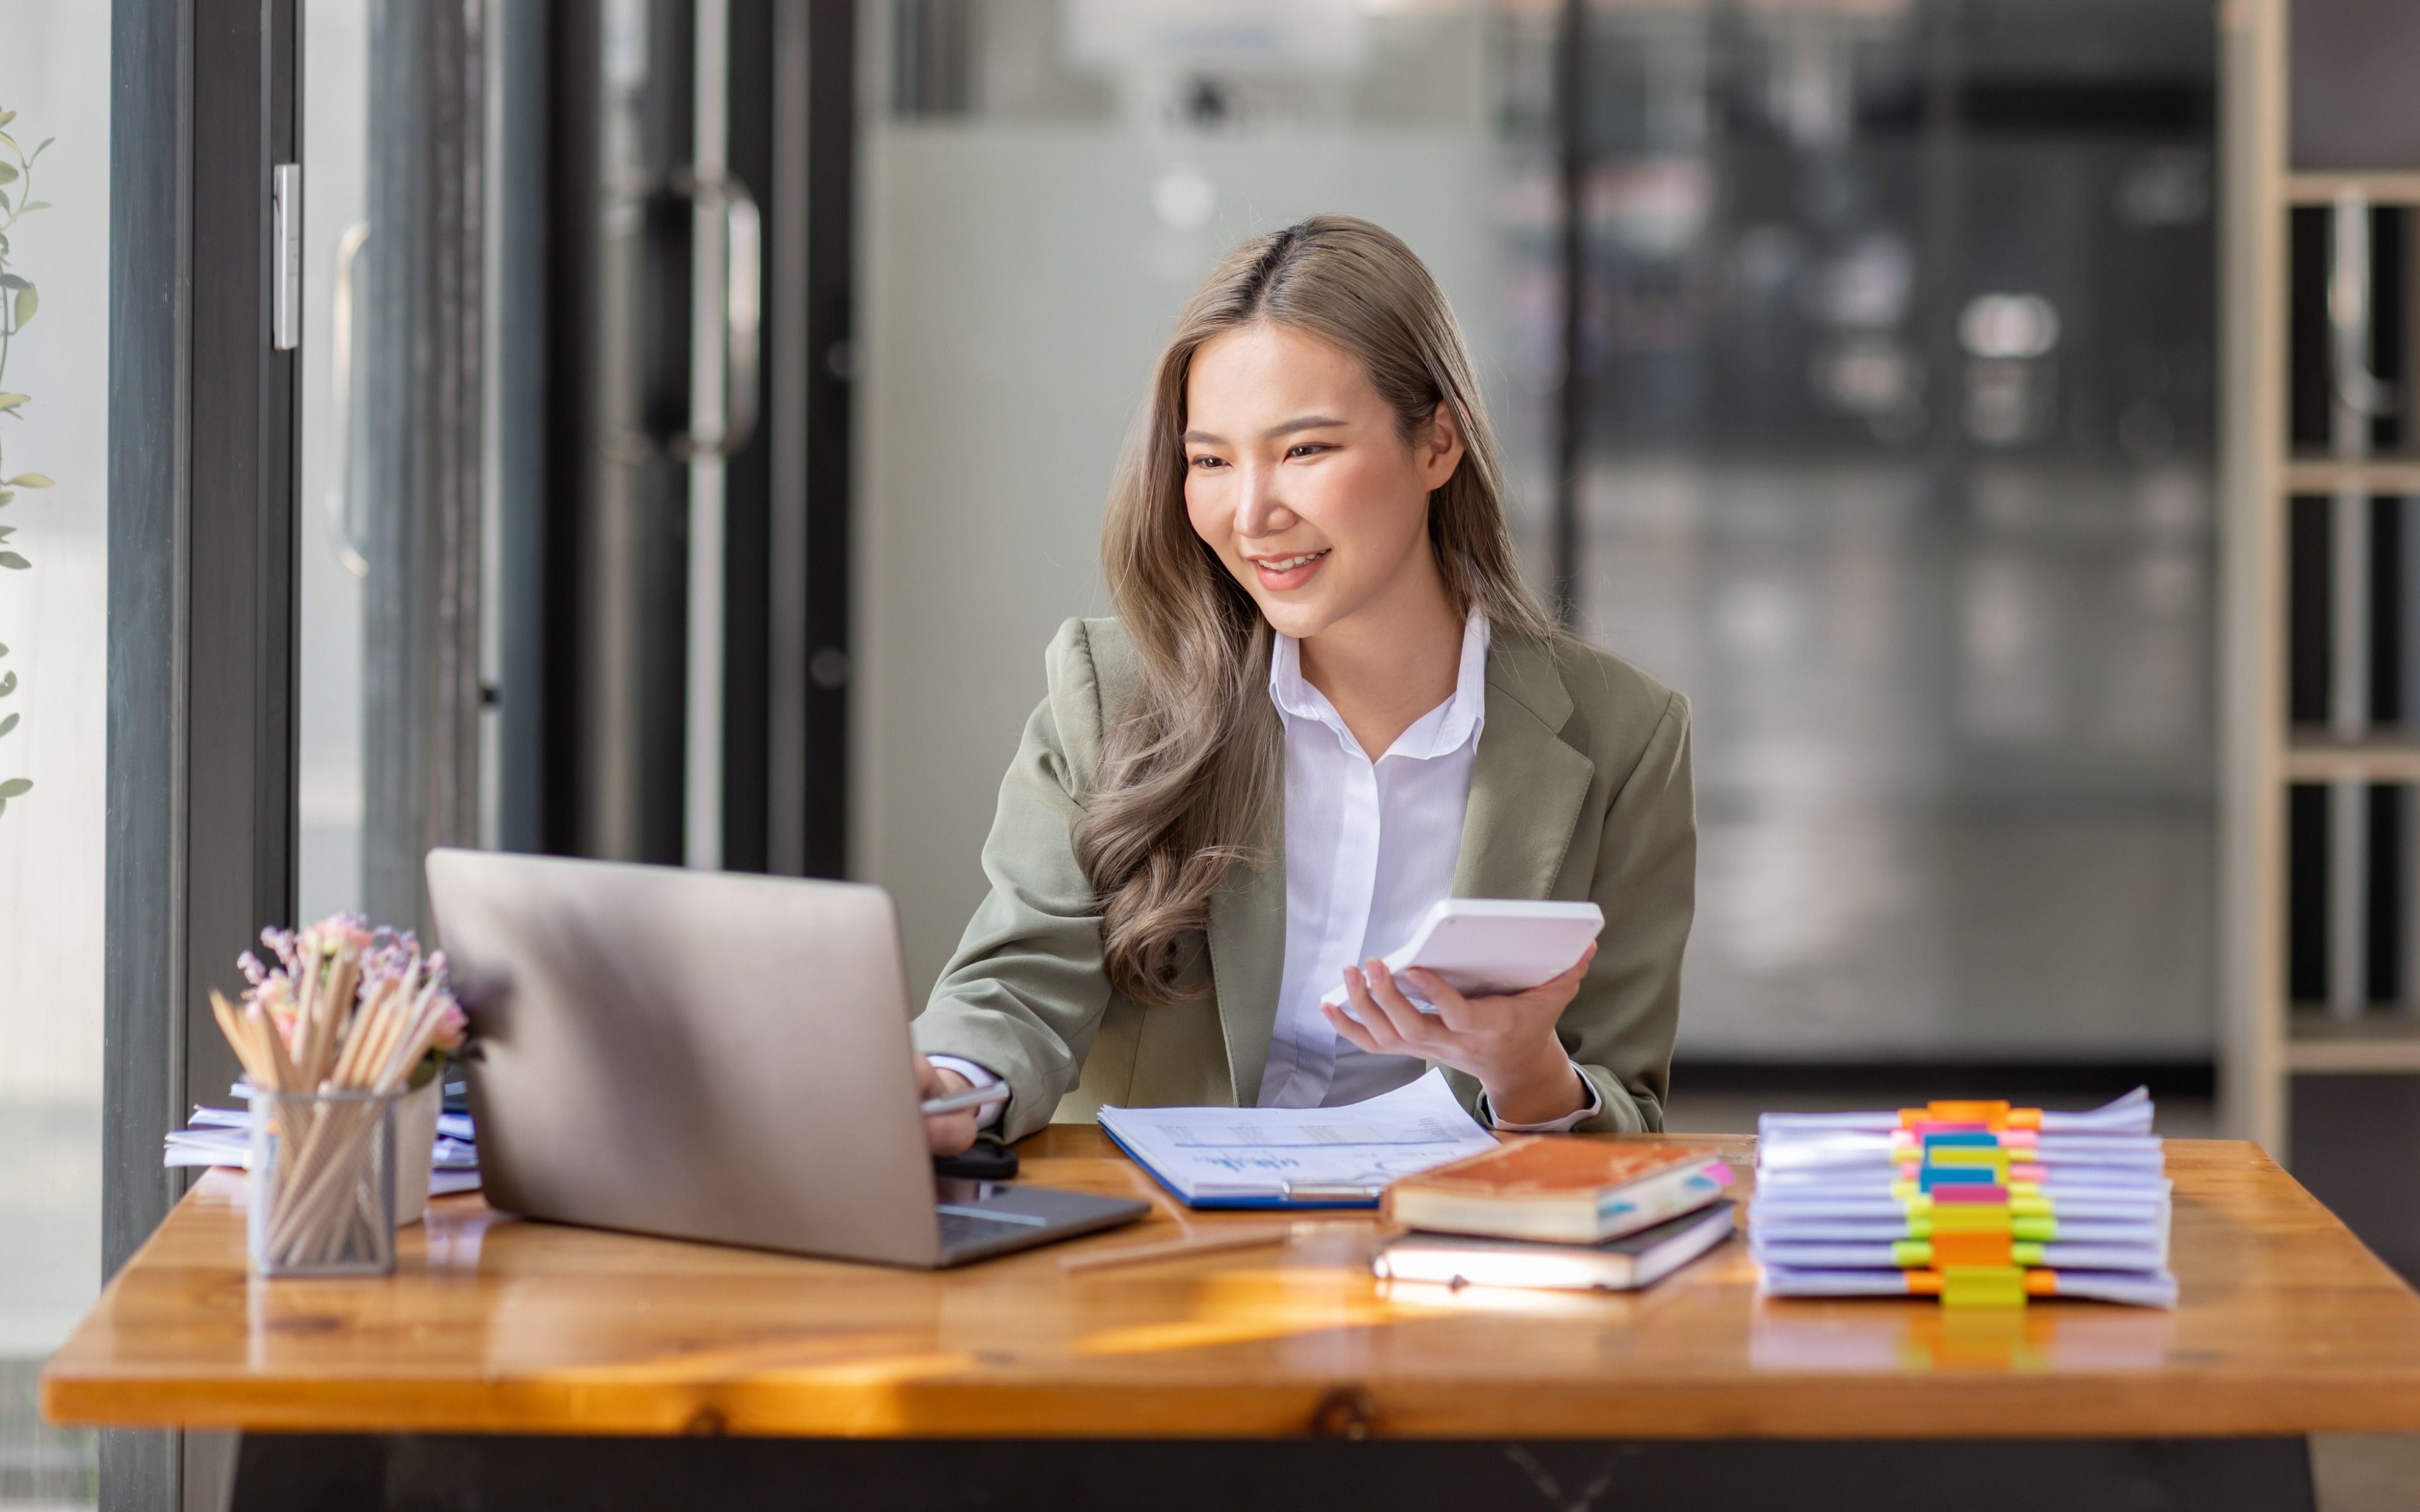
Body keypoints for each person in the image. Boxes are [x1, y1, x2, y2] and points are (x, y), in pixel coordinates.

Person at [913, 215, 1694, 1157]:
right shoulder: (1114, 691)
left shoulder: (1625, 737)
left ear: (1438, 443)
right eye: (1210, 461)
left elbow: (1627, 1108)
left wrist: (1524, 1068)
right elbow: (1016, 983)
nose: (1251, 514)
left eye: (1305, 451)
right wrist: (946, 1084)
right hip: (1162, 1260)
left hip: (1444, 1252)